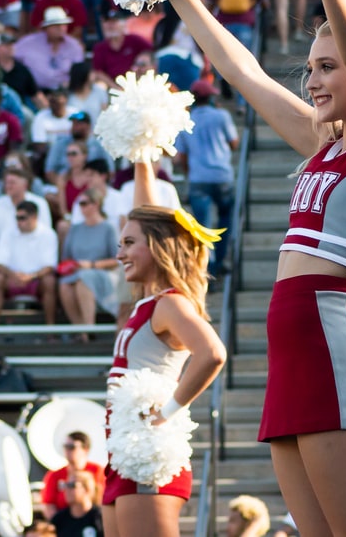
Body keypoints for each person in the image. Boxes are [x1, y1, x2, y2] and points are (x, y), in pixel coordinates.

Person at [166, 0, 346, 533]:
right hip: (288, 354)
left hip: (330, 343)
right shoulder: (324, 145)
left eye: (326, 66)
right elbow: (243, 73)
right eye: (311, 67)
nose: (313, 81)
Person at [102, 161, 226, 537]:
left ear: (156, 247)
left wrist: (169, 411)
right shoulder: (146, 300)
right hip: (122, 450)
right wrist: (141, 157)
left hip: (147, 453)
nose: (120, 253)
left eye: (128, 243)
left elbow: (213, 353)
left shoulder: (171, 303)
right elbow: (144, 212)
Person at [174, 79, 239, 275]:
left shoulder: (185, 121)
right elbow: (234, 143)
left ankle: (205, 266)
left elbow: (180, 157)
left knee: (201, 225)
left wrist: (188, 173)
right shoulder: (221, 116)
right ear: (211, 97)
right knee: (225, 218)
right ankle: (220, 260)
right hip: (222, 175)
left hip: (198, 178)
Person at [58, 187, 119, 336]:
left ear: (96, 204)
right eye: (80, 203)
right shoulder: (75, 229)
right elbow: (67, 256)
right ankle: (80, 329)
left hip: (103, 273)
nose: (81, 207)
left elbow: (117, 259)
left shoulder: (109, 228)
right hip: (77, 272)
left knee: (83, 280)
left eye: (84, 203)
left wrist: (91, 265)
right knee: (65, 284)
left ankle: (89, 327)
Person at [0, 199, 58, 326]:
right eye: (17, 217)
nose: (19, 222)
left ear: (35, 217)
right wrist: (14, 276)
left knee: (50, 281)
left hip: (37, 281)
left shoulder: (48, 234)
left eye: (22, 218)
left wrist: (31, 277)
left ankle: (51, 329)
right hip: (11, 279)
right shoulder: (8, 232)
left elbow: (50, 266)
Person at [40, 430, 106, 520]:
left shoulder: (97, 471)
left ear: (85, 449)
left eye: (72, 447)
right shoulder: (54, 475)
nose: (67, 450)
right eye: (65, 446)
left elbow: (102, 499)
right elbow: (49, 506)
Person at [51, 470, 104, 537]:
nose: (67, 489)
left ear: (87, 489)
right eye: (66, 485)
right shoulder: (58, 520)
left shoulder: (101, 517)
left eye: (72, 485)